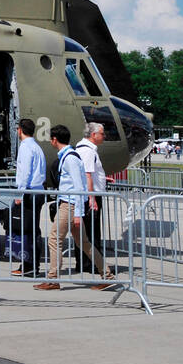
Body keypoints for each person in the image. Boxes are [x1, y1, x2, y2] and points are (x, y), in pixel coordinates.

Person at [36, 124, 115, 290]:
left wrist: (78, 214)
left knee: (54, 239)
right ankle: (106, 274)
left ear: (54, 139)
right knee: (84, 243)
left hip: (70, 205)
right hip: (70, 205)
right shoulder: (70, 156)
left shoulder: (70, 158)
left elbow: (78, 186)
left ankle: (53, 279)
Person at [10, 118, 47, 277]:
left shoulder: (25, 148)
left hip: (29, 193)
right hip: (37, 191)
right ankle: (29, 264)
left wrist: (19, 194)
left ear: (20, 130)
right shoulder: (37, 147)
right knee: (32, 230)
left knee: (28, 231)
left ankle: (30, 266)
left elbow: (24, 173)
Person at [75, 122, 108, 275]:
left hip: (88, 195)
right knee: (92, 232)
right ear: (93, 135)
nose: (104, 136)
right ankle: (93, 264)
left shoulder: (83, 149)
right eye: (102, 133)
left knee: (84, 232)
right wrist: (92, 198)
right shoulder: (88, 151)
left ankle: (83, 263)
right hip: (90, 197)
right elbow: (87, 175)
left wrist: (102, 178)